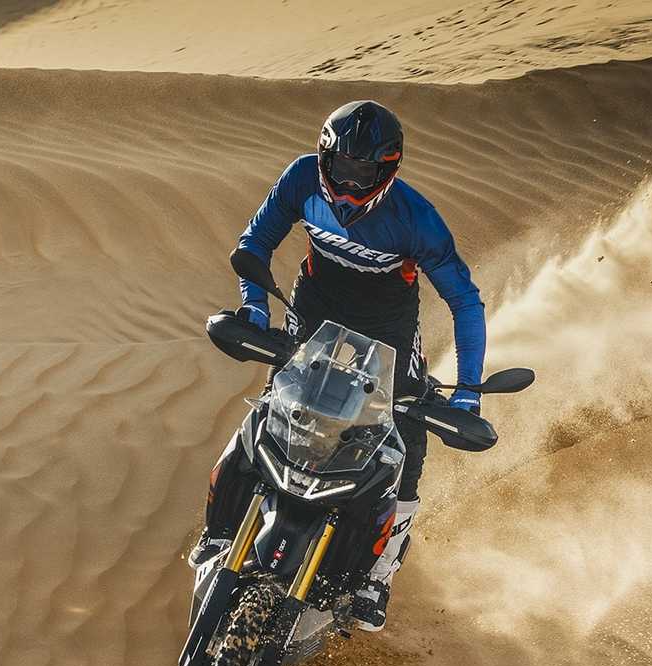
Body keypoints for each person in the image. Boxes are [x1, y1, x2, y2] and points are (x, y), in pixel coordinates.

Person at [189, 100, 486, 632]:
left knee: (405, 433)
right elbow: (255, 244)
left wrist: (467, 392)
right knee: (279, 401)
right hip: (315, 304)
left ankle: (378, 571)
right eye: (340, 166)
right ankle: (220, 527)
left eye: (363, 171)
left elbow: (465, 302)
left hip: (389, 326)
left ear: (387, 169)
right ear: (324, 157)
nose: (348, 182)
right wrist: (256, 307)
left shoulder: (417, 219)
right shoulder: (302, 176)